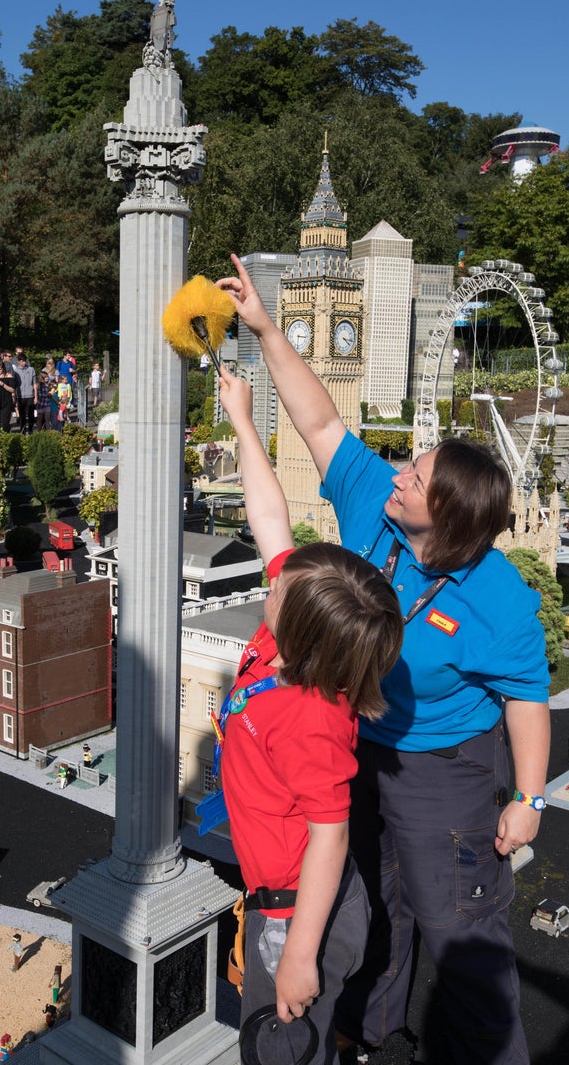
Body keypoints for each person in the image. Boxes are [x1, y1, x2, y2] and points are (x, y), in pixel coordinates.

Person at [217, 254, 550, 1065]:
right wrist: (263, 330)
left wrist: (529, 798)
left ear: (450, 524)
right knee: (374, 902)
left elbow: (529, 696)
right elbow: (321, 424)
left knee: (453, 919)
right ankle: (374, 1038)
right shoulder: (376, 504)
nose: (398, 473)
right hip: (350, 739)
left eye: (418, 478)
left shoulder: (499, 602)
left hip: (443, 757)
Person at [215, 367, 403, 1064]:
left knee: (284, 1048)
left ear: (302, 632)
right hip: (282, 900)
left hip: (297, 915)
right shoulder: (287, 646)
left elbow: (330, 838)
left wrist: (298, 955)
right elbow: (271, 517)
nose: (273, 574)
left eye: (281, 586)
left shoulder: (312, 717)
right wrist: (241, 417)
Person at [0, 362, 18, 431]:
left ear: (3, 368)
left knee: (5, 421)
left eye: (0, 369)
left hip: (6, 401)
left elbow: (12, 390)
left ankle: (7, 434)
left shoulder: (9, 376)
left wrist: (3, 385)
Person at [16, 354, 36, 435]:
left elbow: (34, 383)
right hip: (20, 396)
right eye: (22, 361)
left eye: (24, 361)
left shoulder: (31, 369)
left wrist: (36, 396)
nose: (24, 363)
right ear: (18, 362)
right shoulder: (15, 371)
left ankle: (31, 431)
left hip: (30, 395)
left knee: (31, 415)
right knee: (22, 416)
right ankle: (23, 432)